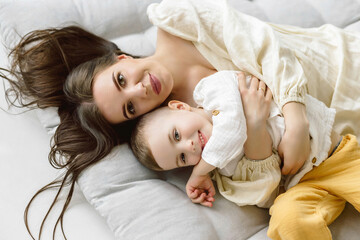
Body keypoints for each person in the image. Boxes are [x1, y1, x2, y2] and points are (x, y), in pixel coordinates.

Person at [2, 0, 360, 238]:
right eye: (130, 107)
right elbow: (258, 186)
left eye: (122, 80)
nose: (140, 91)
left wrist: (294, 121)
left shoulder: (177, 21)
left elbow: (267, 47)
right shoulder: (185, 128)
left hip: (338, 65)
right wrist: (250, 135)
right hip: (336, 149)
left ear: (121, 59)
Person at [130, 70, 359, 240]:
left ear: (180, 107)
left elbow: (232, 127)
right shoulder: (224, 171)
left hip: (337, 158)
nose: (189, 147)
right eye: (182, 158)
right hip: (302, 188)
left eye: (177, 135)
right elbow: (267, 190)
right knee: (286, 217)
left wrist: (200, 171)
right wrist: (255, 127)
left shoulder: (212, 90)